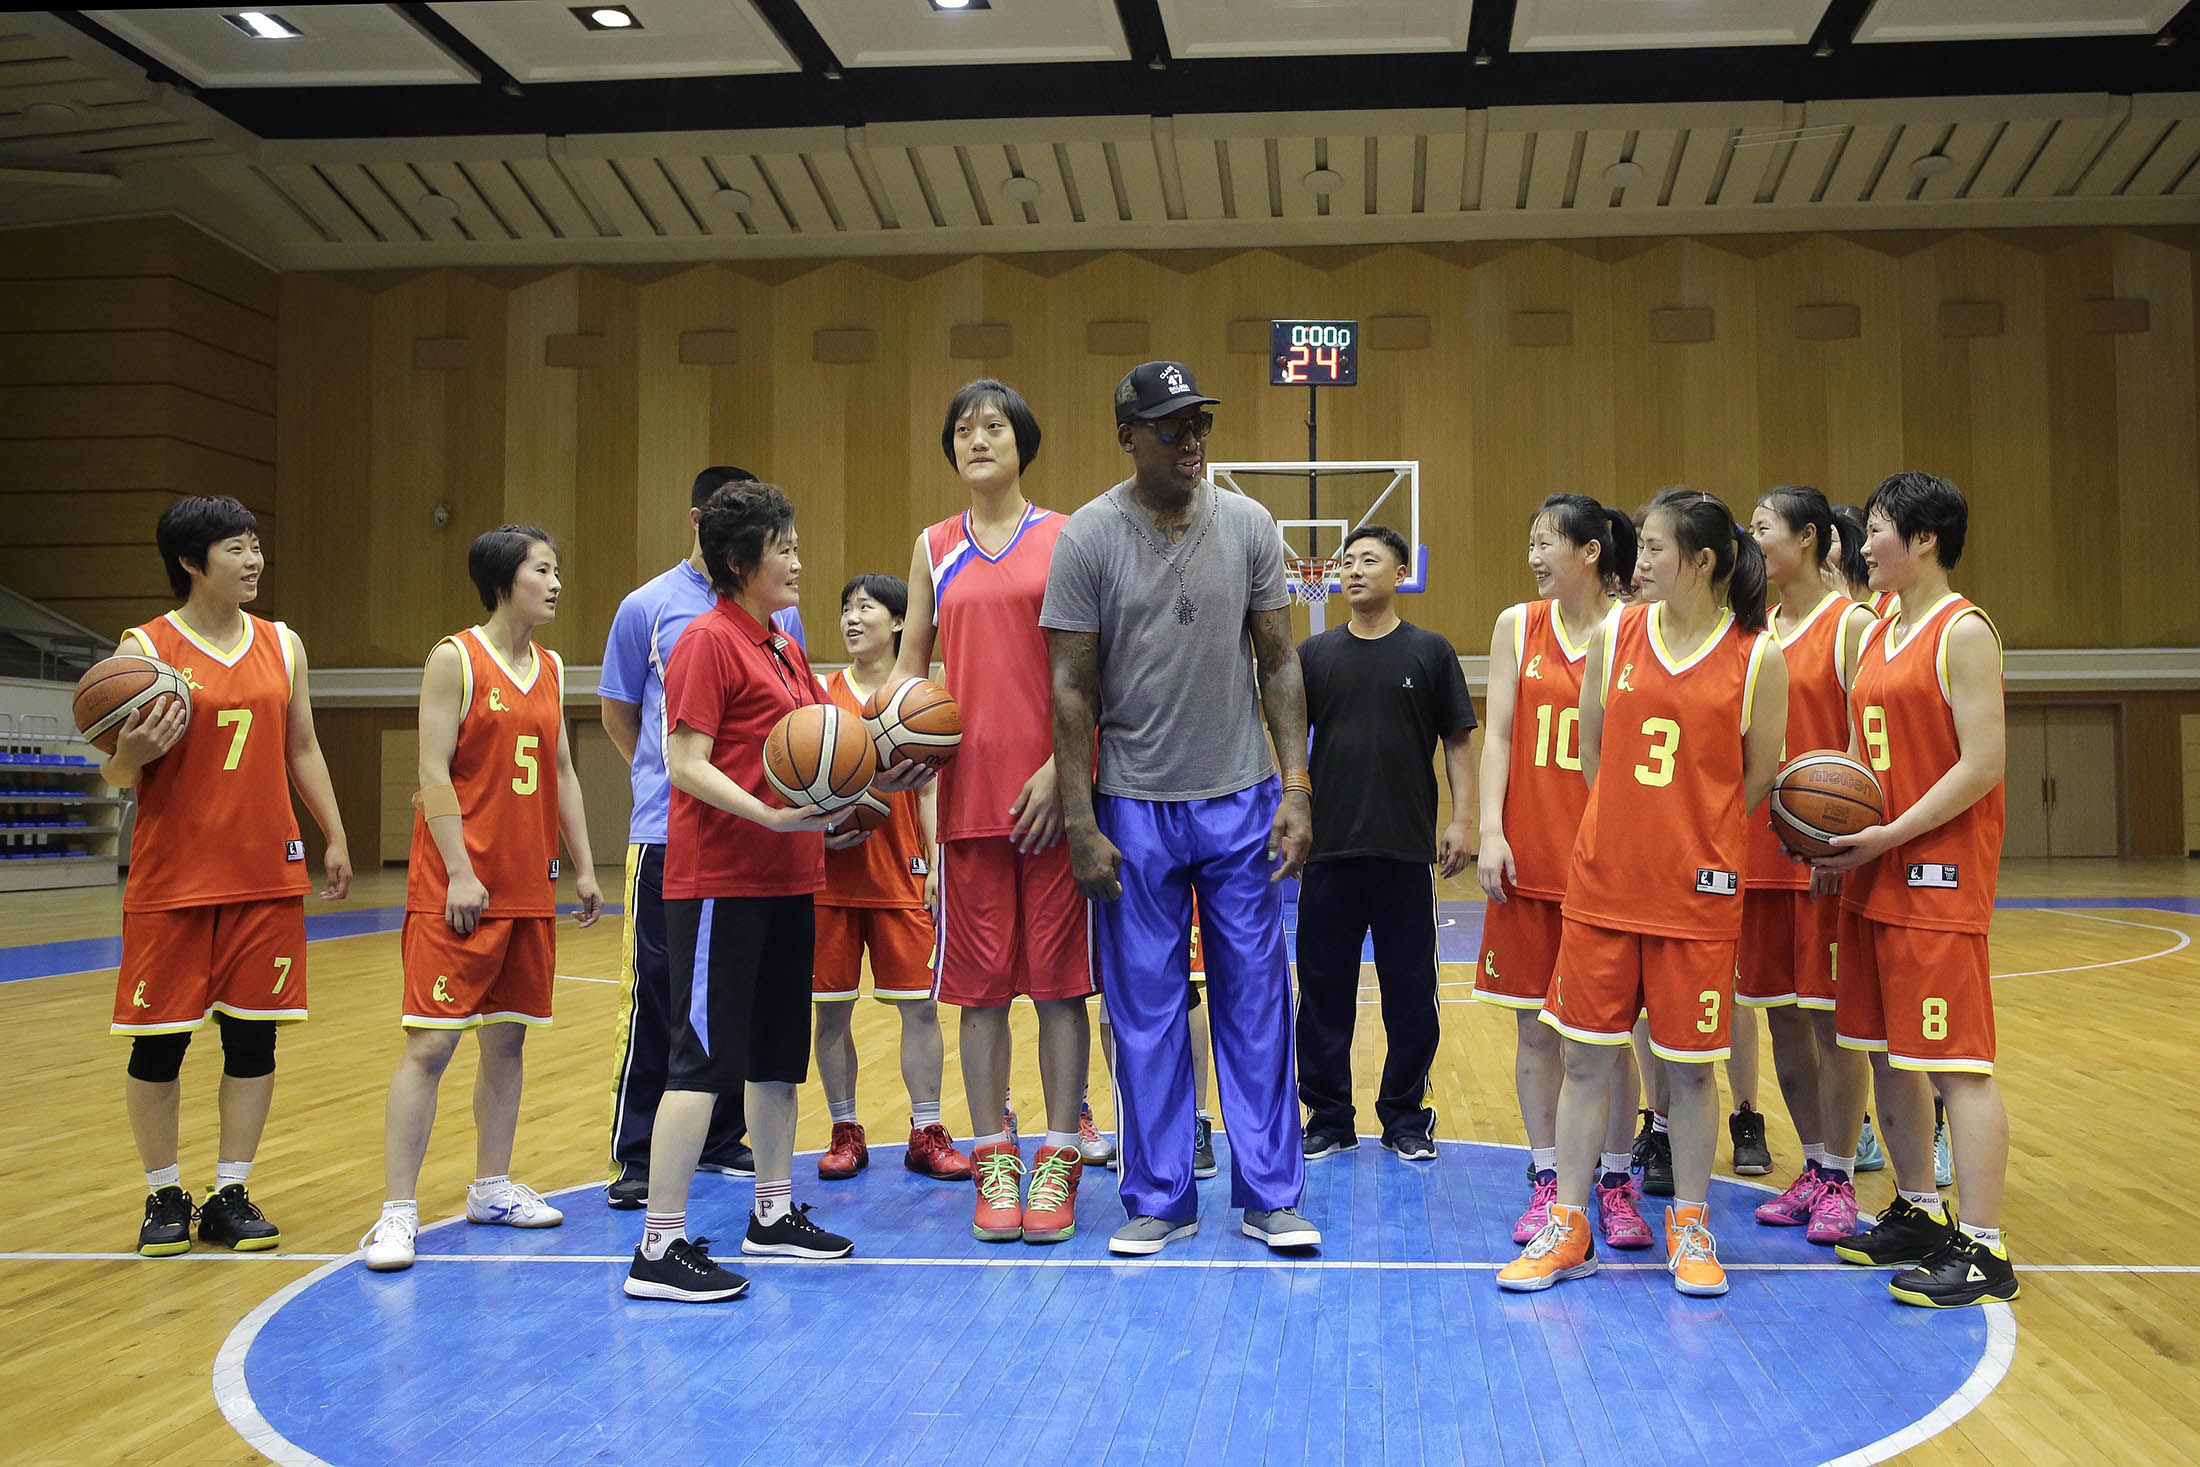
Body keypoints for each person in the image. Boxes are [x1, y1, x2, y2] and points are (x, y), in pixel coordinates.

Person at [1044, 360, 1319, 1257]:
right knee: (1147, 1012)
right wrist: (1081, 823)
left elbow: (1279, 661)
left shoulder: (1248, 524)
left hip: (1241, 799)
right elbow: (1071, 688)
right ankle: (1159, 1195)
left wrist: (1296, 786)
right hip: (1131, 806)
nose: (1191, 439)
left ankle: (1271, 1192)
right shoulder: (1088, 537)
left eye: (1199, 422)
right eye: (1170, 427)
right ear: (1128, 434)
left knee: (1256, 1003)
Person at [1498, 490, 1786, 1298]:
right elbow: (1593, 750)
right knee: (1586, 1061)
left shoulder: (1758, 656)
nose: (1642, 560)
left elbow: (1755, 776)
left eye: (1656, 547)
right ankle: (1570, 1222)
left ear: (1702, 561)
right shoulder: (1620, 630)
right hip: (1604, 886)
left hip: (1697, 894)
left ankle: (1689, 1224)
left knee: (1691, 1072)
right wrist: (1623, 834)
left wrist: (1690, 835)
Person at [623, 482, 857, 1304]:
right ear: (738, 560)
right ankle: (658, 1244)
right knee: (699, 1066)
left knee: (773, 1059)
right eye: (782, 545)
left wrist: (872, 783)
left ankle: (772, 1211)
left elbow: (826, 752)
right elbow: (684, 762)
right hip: (720, 882)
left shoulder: (783, 646)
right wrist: (769, 814)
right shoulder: (706, 641)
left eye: (795, 543)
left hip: (789, 877)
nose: (796, 559)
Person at [104, 496, 351, 1257]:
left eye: (255, 546)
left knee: (253, 1042)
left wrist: (333, 832)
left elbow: (301, 745)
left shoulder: (282, 642)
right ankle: (164, 1194)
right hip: (173, 877)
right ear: (190, 561)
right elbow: (116, 771)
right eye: (236, 548)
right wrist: (132, 758)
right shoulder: (144, 648)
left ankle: (231, 1190)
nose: (253, 561)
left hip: (264, 874)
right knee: (159, 1045)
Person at [363, 526, 603, 1272]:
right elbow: (433, 773)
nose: (556, 581)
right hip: (459, 886)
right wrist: (461, 868)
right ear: (506, 579)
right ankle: (396, 1212)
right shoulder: (454, 658)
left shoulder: (554, 665)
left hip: (528, 882)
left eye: (556, 568)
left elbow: (562, 770)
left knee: (508, 1039)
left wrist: (587, 866)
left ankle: (491, 1186)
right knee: (431, 1045)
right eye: (543, 569)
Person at [892, 379, 1092, 1246]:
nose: (978, 439)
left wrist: (1063, 767)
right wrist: (890, 735)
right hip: (968, 802)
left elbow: (1095, 667)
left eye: (994, 426)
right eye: (963, 428)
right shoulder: (934, 546)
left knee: (1057, 990)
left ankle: (1056, 1153)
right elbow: (908, 667)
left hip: (1055, 798)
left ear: (1023, 442)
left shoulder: (1067, 536)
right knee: (977, 996)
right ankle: (993, 1157)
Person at [1814, 471, 2016, 1308]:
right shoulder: (1879, 630)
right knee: (1887, 1053)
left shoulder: (1962, 630)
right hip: (1874, 872)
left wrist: (1891, 834)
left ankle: (1985, 1244)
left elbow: (1983, 763)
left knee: (1957, 1065)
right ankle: (1919, 1208)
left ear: (1924, 538)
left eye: (1877, 529)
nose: (1862, 546)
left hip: (1938, 874)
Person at [1475, 495, 1655, 1253]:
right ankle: (1548, 1174)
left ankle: (1614, 1180)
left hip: (1607, 868)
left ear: (1590, 551)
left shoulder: (1633, 629)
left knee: (1606, 1038)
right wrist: (1489, 828)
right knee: (1536, 1036)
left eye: (1545, 541)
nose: (1533, 556)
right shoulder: (1519, 624)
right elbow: (1500, 738)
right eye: (1529, 541)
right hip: (1529, 857)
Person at [596, 467, 773, 1210]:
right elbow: (619, 715)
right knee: (659, 995)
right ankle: (637, 1153)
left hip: (750, 841)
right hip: (667, 832)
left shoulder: (774, 612)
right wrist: (669, 779)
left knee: (739, 993)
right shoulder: (646, 606)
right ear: (699, 519)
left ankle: (722, 1135)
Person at [1294, 525, 1475, 1163]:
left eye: (1369, 560)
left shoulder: (1430, 651)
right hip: (1329, 852)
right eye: (1346, 562)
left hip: (1404, 853)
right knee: (1321, 991)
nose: (1354, 570)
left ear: (1401, 574)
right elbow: (1289, 742)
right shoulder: (1313, 654)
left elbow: (1458, 741)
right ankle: (1328, 1116)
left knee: (1408, 993)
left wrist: (1463, 820)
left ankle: (1404, 1115)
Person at [1743, 487, 1877, 1246]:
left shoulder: (1851, 625)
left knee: (1831, 1024)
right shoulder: (1757, 631)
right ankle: (1814, 1160)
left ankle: (1839, 1178)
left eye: (1764, 529)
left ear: (1810, 537)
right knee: (1784, 1019)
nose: (1753, 541)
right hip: (1762, 851)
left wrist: (1838, 842)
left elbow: (1865, 739)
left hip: (1825, 856)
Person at [812, 574, 969, 1184]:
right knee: (829, 1014)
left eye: (866, 608)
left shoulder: (919, 697)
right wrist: (815, 830)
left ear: (901, 622)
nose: (852, 619)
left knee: (919, 1011)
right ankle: (845, 1127)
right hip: (831, 878)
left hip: (904, 874)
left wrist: (936, 861)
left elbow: (930, 788)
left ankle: (926, 1128)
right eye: (845, 609)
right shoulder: (819, 695)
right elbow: (795, 781)